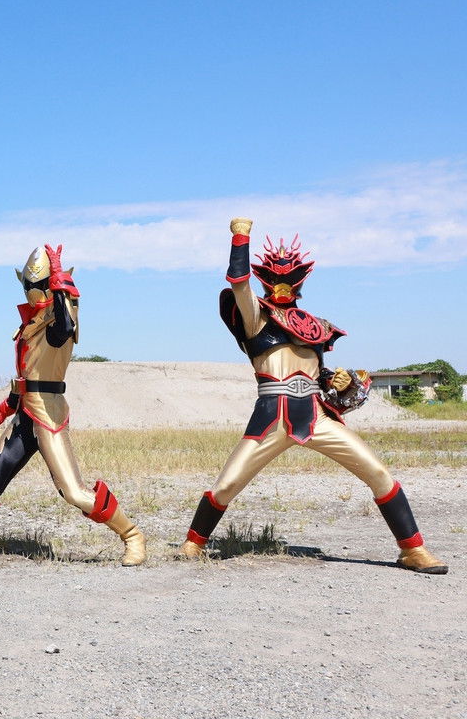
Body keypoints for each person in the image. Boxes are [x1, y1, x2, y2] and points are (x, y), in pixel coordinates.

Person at [178, 218, 447, 574]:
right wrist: (240, 238)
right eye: (275, 276)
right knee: (227, 485)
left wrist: (339, 381)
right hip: (272, 415)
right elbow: (238, 283)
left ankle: (413, 549)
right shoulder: (256, 316)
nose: (282, 283)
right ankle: (193, 542)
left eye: (289, 277)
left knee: (378, 472)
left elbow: (318, 376)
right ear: (265, 277)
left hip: (315, 415)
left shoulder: (314, 326)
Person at [0, 245, 147, 566]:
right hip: (26, 412)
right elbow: (28, 373)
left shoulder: (59, 319)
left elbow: (65, 328)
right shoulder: (31, 323)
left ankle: (132, 535)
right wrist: (8, 404)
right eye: (28, 285)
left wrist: (61, 284)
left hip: (49, 413)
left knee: (73, 492)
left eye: (40, 284)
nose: (33, 291)